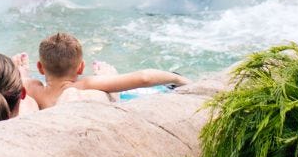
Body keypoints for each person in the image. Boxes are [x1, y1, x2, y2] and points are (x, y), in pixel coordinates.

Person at [20, 32, 187, 111]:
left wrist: (22, 71)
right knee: (111, 90)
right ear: (81, 67)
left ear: (40, 68)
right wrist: (178, 79)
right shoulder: (85, 85)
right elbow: (144, 78)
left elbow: (18, 80)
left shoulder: (33, 89)